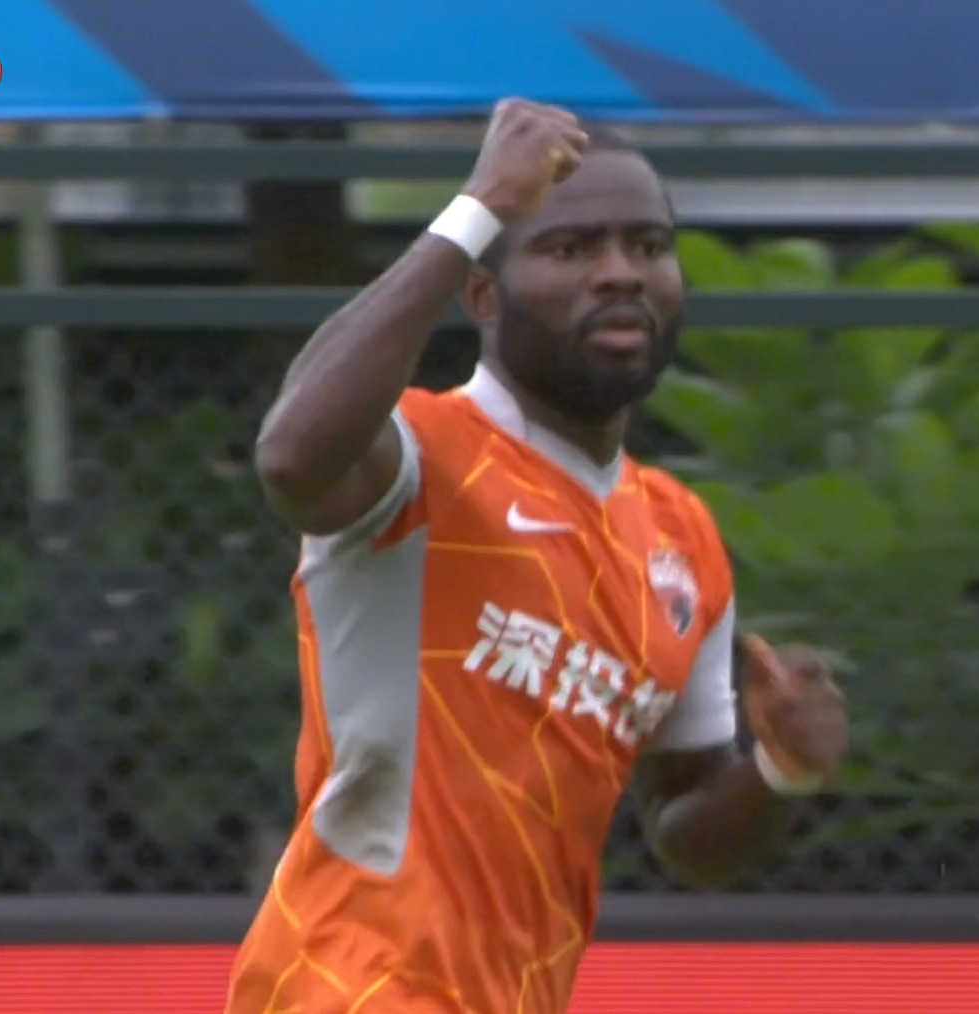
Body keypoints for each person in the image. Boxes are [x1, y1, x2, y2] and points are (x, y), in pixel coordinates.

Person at [232, 98, 850, 1014]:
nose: (620, 272)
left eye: (648, 246)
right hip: (349, 985)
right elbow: (291, 456)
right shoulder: (420, 453)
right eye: (571, 248)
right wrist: (481, 203)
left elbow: (686, 832)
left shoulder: (681, 539)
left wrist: (780, 771)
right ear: (484, 294)